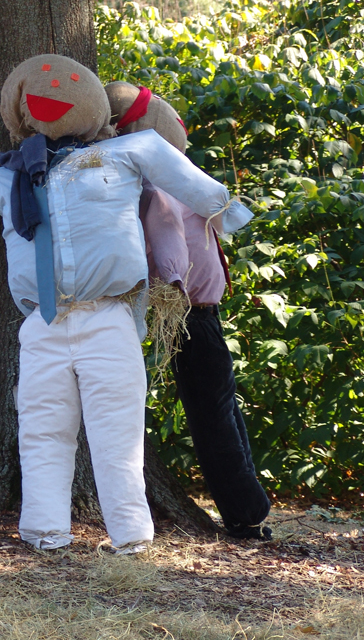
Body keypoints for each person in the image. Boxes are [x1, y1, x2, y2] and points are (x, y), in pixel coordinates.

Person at [0, 55, 254, 553]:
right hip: (42, 324)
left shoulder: (125, 153)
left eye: (71, 83)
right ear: (20, 107)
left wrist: (225, 209)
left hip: (109, 316)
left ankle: (132, 535)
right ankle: (45, 530)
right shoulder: (9, 179)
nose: (55, 88)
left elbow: (176, 170)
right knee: (41, 428)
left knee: (117, 432)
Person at [106, 80, 272, 540]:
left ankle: (248, 506)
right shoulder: (153, 184)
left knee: (220, 407)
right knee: (212, 411)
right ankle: (246, 513)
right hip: (186, 312)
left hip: (199, 312)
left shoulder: (173, 177)